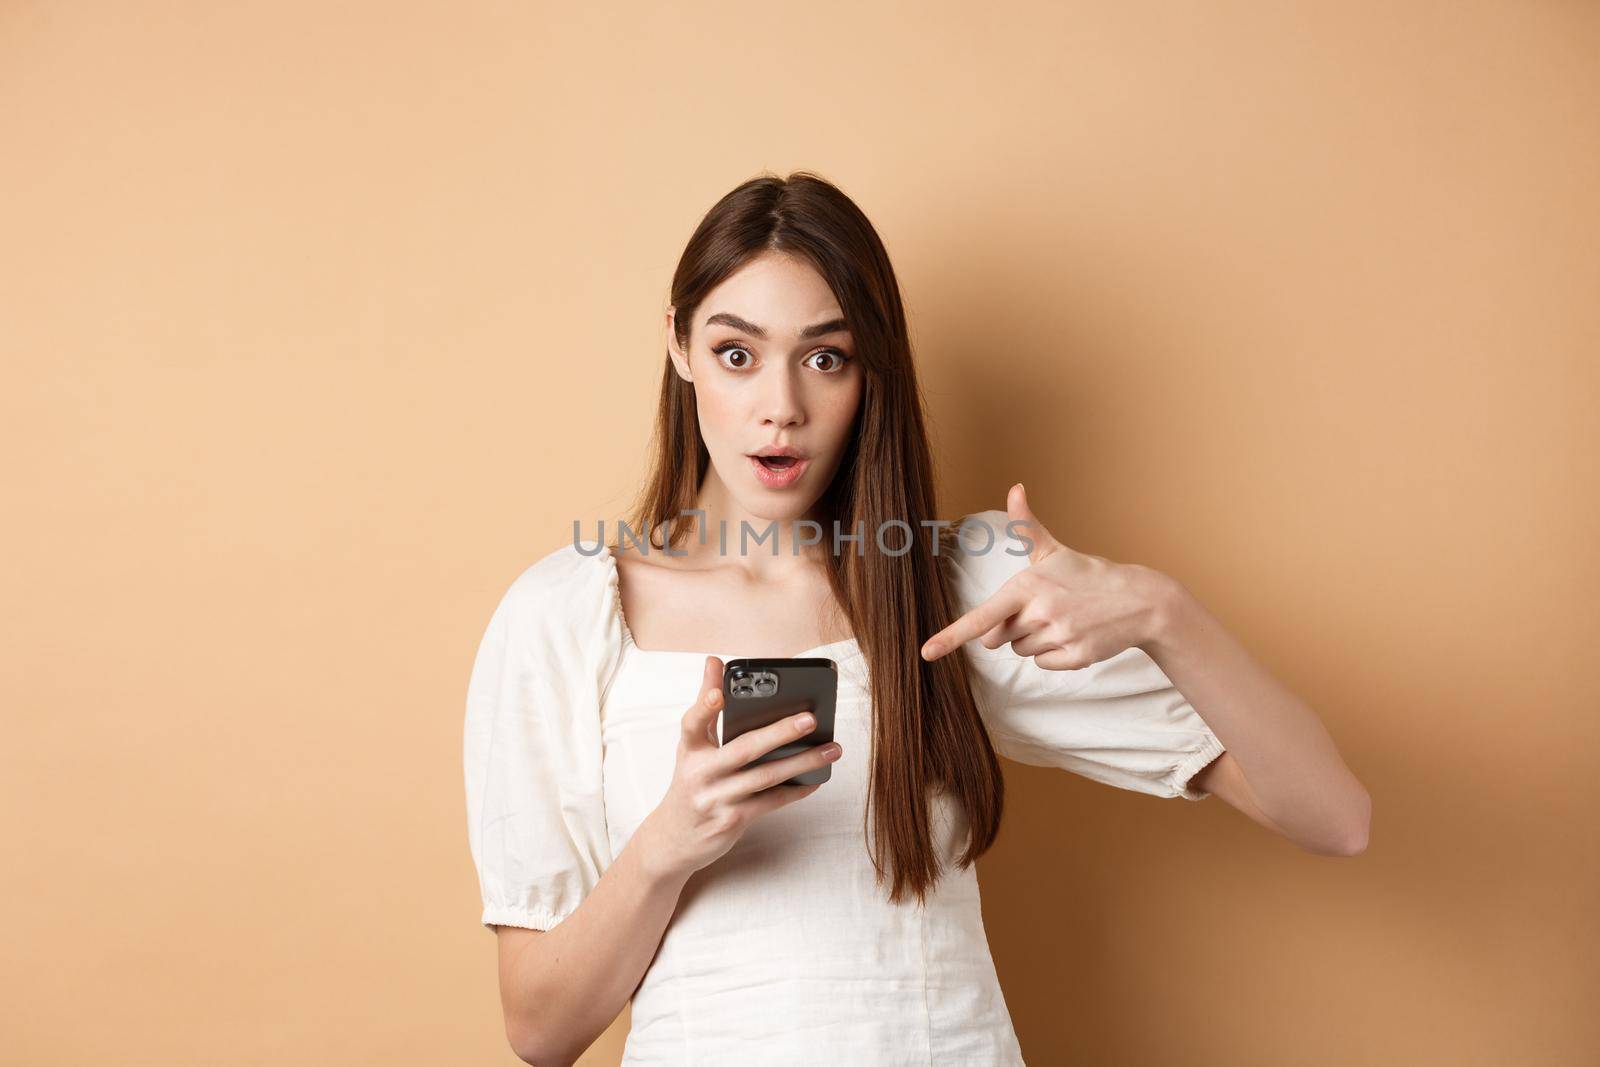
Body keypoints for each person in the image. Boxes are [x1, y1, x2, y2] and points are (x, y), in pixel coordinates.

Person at [462, 171, 1372, 1066]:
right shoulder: (566, 615)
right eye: (737, 353)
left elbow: (1335, 817)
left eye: (826, 357)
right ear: (678, 345)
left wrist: (1162, 611)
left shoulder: (958, 587)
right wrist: (668, 842)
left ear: (871, 369)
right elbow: (541, 1031)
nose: (781, 406)